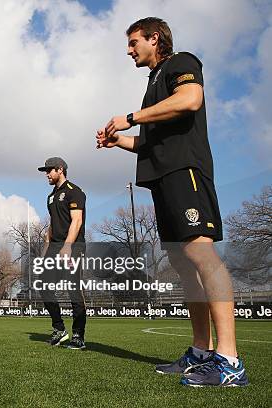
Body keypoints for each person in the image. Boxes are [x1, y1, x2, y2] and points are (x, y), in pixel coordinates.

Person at [96, 17, 247, 386]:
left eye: (134, 42)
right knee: (182, 262)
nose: (129, 50)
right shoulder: (153, 84)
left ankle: (229, 361)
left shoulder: (181, 61)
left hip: (186, 172)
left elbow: (191, 99)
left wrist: (130, 117)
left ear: (154, 38)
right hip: (164, 179)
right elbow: (150, 143)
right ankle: (200, 352)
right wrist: (120, 140)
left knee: (200, 254)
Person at [37, 157, 87, 349]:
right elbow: (52, 225)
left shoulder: (75, 192)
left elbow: (77, 221)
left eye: (49, 170)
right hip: (54, 248)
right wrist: (45, 251)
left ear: (60, 169)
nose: (47, 174)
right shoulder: (50, 197)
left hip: (73, 247)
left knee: (74, 290)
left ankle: (78, 336)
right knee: (44, 285)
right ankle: (60, 329)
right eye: (46, 171)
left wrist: (67, 246)